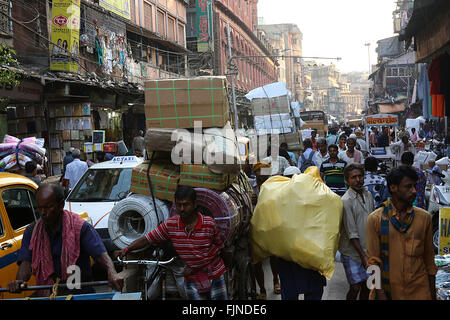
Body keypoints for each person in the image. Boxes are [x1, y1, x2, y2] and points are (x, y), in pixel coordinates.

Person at [7, 184, 123, 297]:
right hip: (47, 293)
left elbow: (100, 255)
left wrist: (112, 272)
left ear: (61, 205)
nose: (42, 212)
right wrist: (19, 281)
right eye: (40, 207)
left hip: (79, 292)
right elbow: (26, 263)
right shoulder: (32, 231)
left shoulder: (81, 228)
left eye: (47, 207)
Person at [116, 186, 228, 300]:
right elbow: (148, 238)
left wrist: (228, 265)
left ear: (194, 205)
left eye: (186, 204)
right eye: (179, 205)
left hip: (214, 274)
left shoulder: (209, 223)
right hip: (192, 276)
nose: (182, 208)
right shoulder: (171, 225)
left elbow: (220, 246)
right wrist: (126, 249)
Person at [366, 166, 438, 300]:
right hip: (389, 292)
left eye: (415, 186)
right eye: (408, 187)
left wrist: (432, 294)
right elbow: (372, 263)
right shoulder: (375, 219)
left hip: (419, 292)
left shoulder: (424, 218)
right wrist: (380, 294)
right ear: (393, 188)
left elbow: (429, 261)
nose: (414, 191)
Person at [274, 166, 327, 300]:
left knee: (298, 290)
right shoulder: (312, 196)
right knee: (297, 290)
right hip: (297, 255)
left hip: (305, 255)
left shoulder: (277, 198)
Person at [339, 163, 374, 300]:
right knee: (355, 287)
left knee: (368, 285)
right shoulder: (346, 201)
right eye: (354, 177)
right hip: (352, 252)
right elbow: (351, 233)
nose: (358, 180)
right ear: (347, 180)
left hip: (368, 249)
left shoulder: (368, 194)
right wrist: (363, 256)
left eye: (360, 176)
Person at [250, 162, 281, 299]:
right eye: (259, 171)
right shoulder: (249, 186)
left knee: (274, 256)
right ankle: (262, 289)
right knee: (257, 260)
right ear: (255, 173)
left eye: (264, 171)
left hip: (270, 225)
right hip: (254, 226)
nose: (261, 174)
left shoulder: (273, 186)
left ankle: (276, 280)